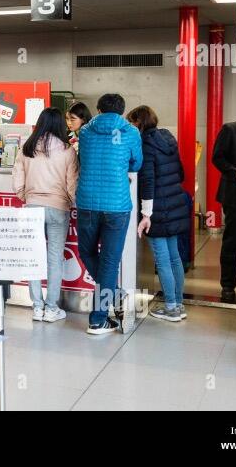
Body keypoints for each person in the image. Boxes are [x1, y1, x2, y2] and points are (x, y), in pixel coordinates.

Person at [76, 93, 142, 335]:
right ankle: (102, 314)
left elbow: (83, 159)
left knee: (87, 251)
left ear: (99, 109)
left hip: (87, 202)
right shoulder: (131, 132)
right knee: (110, 261)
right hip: (117, 204)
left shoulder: (85, 132)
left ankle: (106, 307)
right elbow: (136, 163)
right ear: (122, 111)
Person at [12, 107, 79, 323]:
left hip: (32, 207)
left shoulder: (27, 148)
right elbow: (72, 183)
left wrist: (26, 197)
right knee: (54, 258)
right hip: (58, 208)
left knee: (33, 258)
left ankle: (37, 307)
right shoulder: (68, 150)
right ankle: (52, 308)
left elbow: (17, 180)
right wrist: (68, 201)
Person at [128, 105, 189, 322]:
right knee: (174, 258)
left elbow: (148, 180)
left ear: (138, 122)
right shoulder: (167, 139)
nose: (130, 127)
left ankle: (171, 307)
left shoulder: (145, 143)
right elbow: (180, 172)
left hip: (158, 210)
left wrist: (146, 214)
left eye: (132, 123)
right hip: (175, 206)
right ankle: (178, 305)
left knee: (162, 260)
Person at [212, 96, 236, 304]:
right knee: (233, 242)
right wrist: (235, 172)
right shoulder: (231, 129)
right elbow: (217, 157)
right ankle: (228, 286)